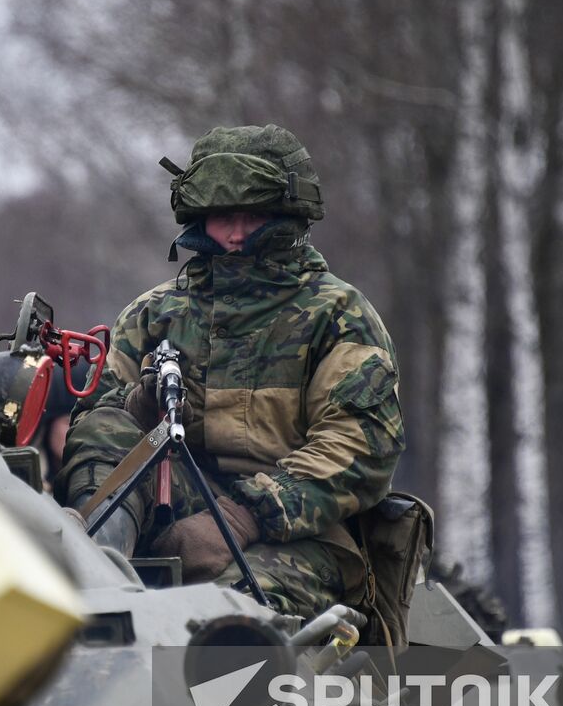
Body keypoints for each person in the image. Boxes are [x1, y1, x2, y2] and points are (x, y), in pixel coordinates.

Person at [59, 124, 405, 620]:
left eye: (253, 216)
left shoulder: (338, 315)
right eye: (223, 217)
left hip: (299, 536)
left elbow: (361, 447)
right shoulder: (154, 314)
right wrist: (140, 405)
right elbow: (95, 423)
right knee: (106, 427)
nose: (237, 234)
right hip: (171, 504)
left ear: (288, 216)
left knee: (222, 618)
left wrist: (240, 519)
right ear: (200, 218)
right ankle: (92, 574)